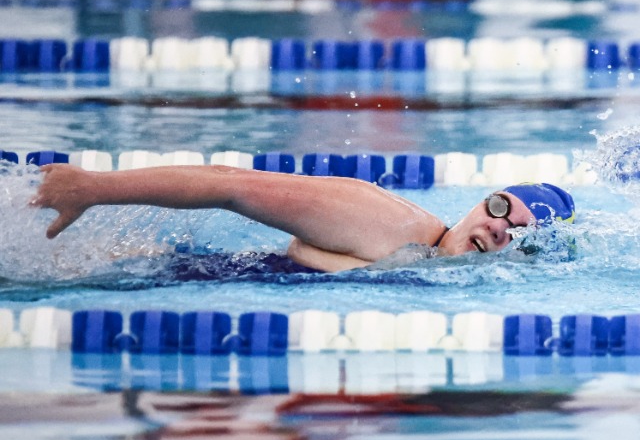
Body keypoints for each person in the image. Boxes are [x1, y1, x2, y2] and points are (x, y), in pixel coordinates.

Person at [31, 164, 576, 273]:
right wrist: (94, 188)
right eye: (500, 208)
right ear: (482, 201)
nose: (497, 226)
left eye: (518, 233)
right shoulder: (386, 222)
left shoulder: (426, 262)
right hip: (163, 278)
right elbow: (232, 186)